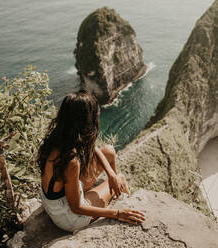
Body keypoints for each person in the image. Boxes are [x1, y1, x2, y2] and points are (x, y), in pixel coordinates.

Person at [37, 90, 145, 232]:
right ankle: (126, 207)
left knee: (109, 151)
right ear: (86, 121)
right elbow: (76, 208)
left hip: (55, 201)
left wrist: (111, 174)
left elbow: (94, 148)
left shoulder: (58, 139)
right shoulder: (71, 161)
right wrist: (117, 214)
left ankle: (116, 187)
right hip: (69, 217)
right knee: (121, 178)